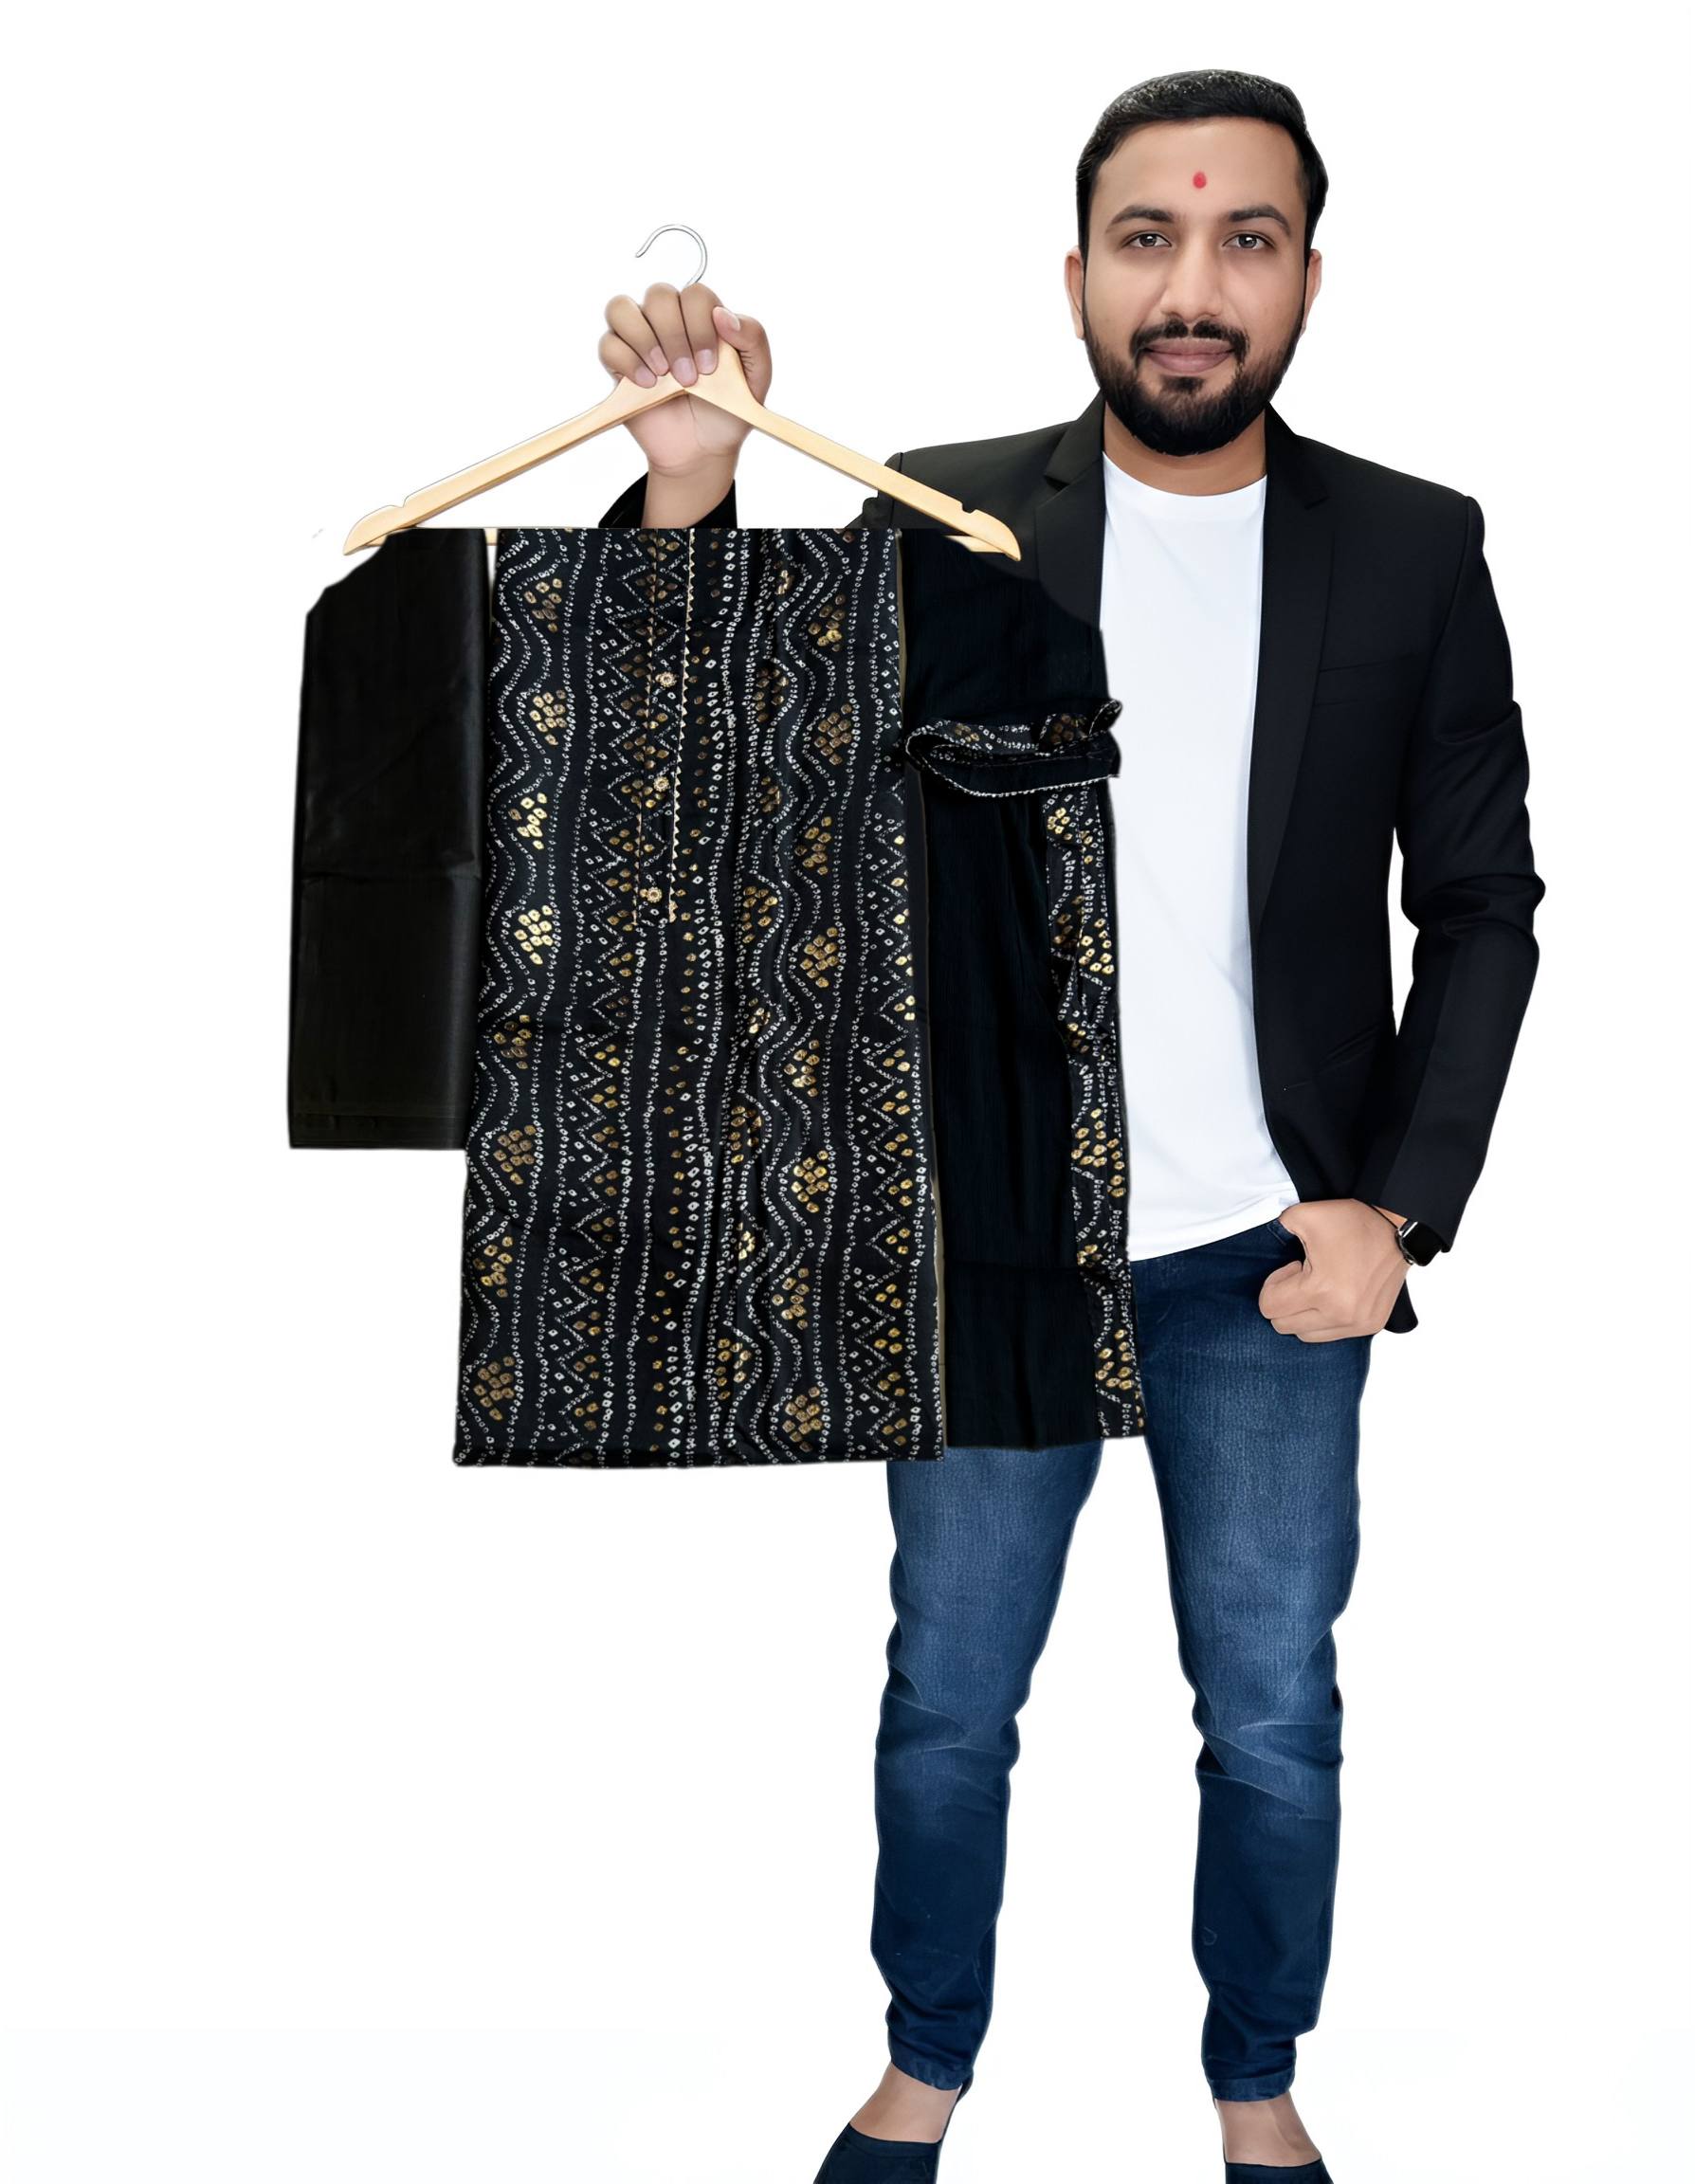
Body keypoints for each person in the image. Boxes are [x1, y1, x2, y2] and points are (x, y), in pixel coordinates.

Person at [593, 68, 1543, 2182]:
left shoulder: (1413, 547)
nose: (1194, 286)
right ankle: (925, 2068)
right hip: (1000, 1235)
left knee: (1273, 1711)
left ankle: (1257, 2086)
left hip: (1267, 1260)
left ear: (1306, 276)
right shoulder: (941, 518)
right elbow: (723, 793)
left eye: (1245, 239)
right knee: (950, 1694)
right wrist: (692, 492)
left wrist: (1398, 1208)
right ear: (1078, 274)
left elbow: (1482, 904)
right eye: (1149, 239)